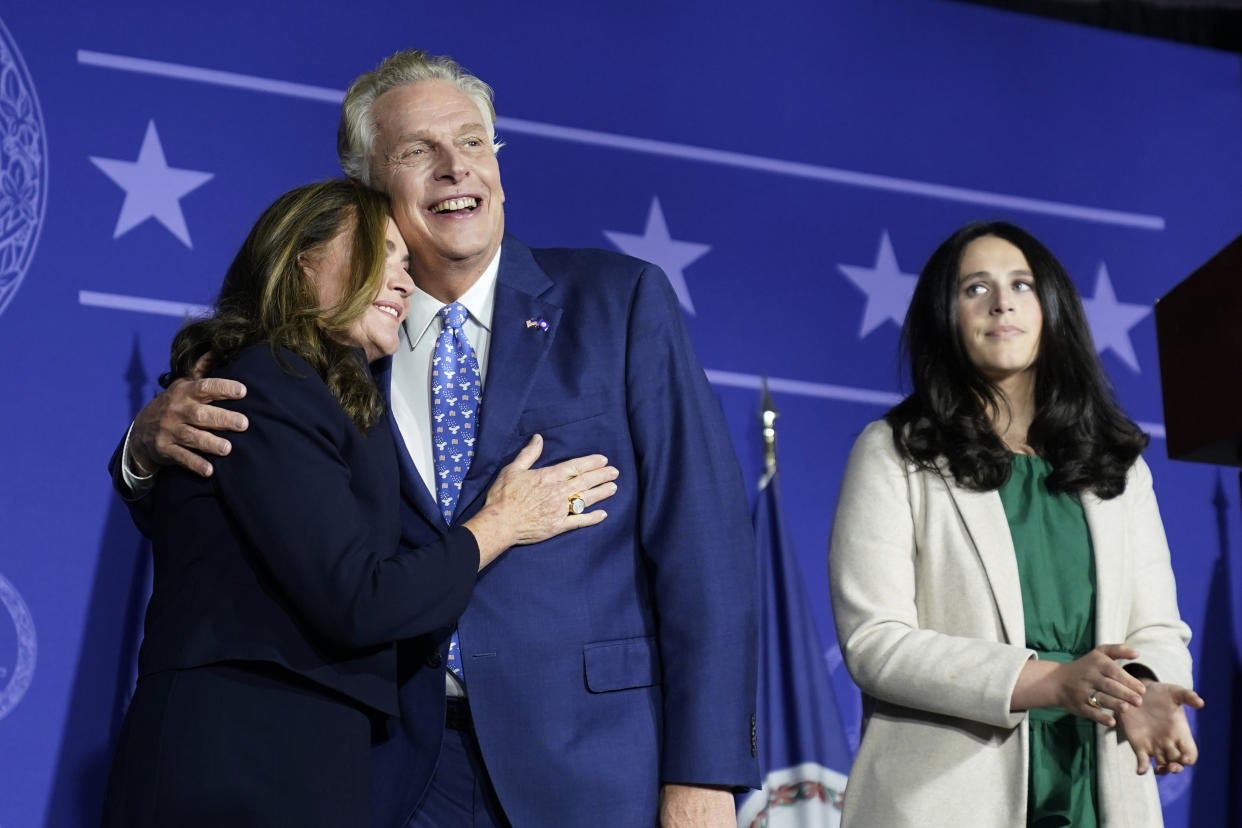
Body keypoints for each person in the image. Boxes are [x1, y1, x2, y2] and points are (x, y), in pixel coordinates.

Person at [115, 51, 758, 827]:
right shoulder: (326, 351)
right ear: (366, 184)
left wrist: (705, 774)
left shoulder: (618, 302)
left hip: (589, 763)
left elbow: (705, 547)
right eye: (419, 150)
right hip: (381, 767)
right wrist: (141, 454)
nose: (456, 168)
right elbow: (243, 525)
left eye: (474, 142)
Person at [103, 179, 617, 827]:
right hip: (241, 756)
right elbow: (358, 599)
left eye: (407, 265)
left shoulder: (324, 393)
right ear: (303, 257)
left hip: (305, 750)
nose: (404, 283)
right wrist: (500, 523)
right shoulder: (269, 380)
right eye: (383, 254)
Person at [828, 220, 1204, 827]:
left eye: (1022, 284)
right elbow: (876, 642)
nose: (1002, 301)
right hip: (943, 798)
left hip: (1097, 783)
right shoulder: (894, 451)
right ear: (943, 317)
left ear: (1052, 308)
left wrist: (1139, 686)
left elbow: (1155, 625)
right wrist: (1052, 682)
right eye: (975, 287)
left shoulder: (1117, 467)